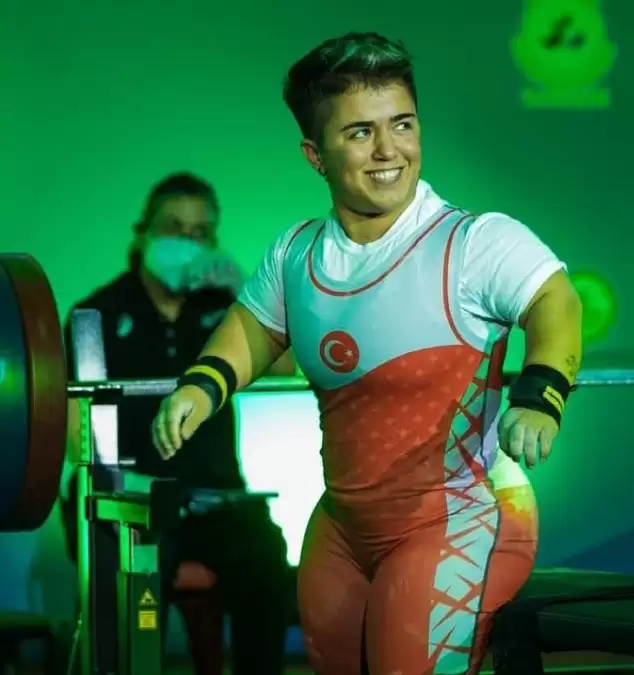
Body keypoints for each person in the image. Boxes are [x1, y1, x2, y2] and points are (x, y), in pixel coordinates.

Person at [151, 33, 583, 675]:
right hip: (342, 531)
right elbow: (253, 328)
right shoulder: (295, 254)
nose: (389, 150)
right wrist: (202, 385)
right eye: (360, 132)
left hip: (458, 518)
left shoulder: (475, 242)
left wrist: (542, 394)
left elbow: (555, 302)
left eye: (402, 124)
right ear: (315, 155)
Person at [60, 172, 291, 675]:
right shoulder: (98, 314)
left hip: (217, 502)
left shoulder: (226, 311)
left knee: (267, 561)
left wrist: (247, 293)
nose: (186, 241)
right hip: (130, 502)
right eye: (173, 227)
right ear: (142, 233)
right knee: (135, 573)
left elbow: (287, 365)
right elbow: (75, 437)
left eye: (199, 232)